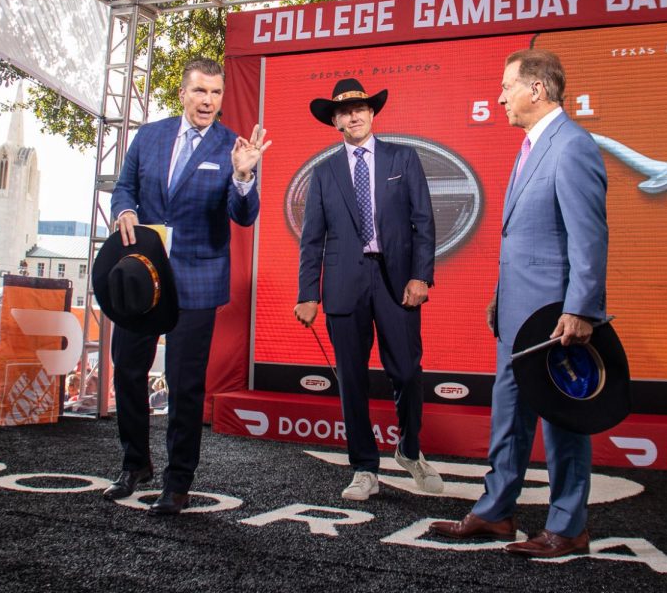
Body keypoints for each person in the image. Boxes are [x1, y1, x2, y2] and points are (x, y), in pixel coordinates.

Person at [429, 48, 608, 558]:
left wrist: (580, 309)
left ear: (537, 89)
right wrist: (501, 297)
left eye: (507, 85)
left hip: (556, 320)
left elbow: (588, 239)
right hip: (516, 317)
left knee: (562, 422)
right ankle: (495, 512)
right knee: (508, 416)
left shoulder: (572, 146)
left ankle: (568, 526)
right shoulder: (533, 146)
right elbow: (529, 238)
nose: (500, 95)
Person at [104, 57, 269, 516]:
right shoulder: (149, 136)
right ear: (182, 93)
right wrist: (125, 212)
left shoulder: (231, 146)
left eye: (216, 93)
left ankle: (178, 482)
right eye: (200, 91)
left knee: (185, 384)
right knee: (128, 371)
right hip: (143, 275)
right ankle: (135, 463)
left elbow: (244, 216)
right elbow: (124, 187)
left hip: (197, 279)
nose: (209, 101)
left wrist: (242, 175)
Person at [294, 78, 441, 501]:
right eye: (344, 111)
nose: (353, 115)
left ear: (372, 113)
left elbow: (424, 223)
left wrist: (421, 276)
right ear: (335, 121)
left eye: (360, 108)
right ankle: (363, 467)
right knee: (352, 379)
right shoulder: (323, 174)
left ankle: (410, 450)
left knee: (408, 372)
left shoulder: (404, 158)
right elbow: (312, 239)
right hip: (343, 285)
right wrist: (309, 293)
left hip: (398, 282)